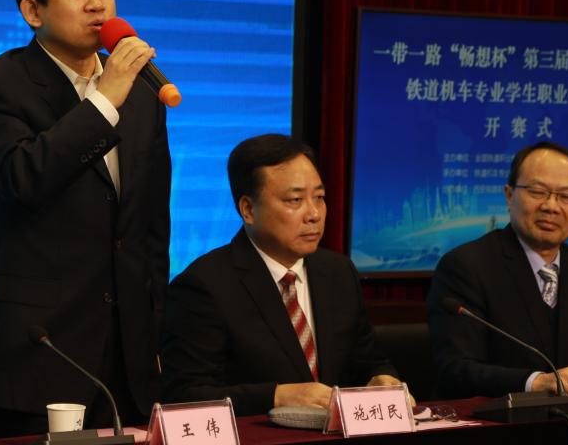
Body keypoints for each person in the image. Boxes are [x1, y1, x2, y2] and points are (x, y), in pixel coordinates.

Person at [0, 0, 172, 436]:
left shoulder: (141, 93)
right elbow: (23, 178)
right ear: (33, 11)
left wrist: (156, 334)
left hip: (129, 360)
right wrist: (104, 101)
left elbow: (149, 227)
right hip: (39, 353)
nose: (97, 3)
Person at [160, 134, 401, 415]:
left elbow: (368, 360)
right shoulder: (205, 286)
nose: (314, 214)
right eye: (295, 200)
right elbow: (184, 395)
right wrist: (276, 396)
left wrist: (382, 379)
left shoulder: (338, 272)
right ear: (248, 209)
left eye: (320, 198)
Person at [427, 141, 568, 398]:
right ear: (509, 194)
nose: (551, 206)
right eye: (538, 191)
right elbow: (455, 369)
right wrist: (536, 382)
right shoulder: (466, 266)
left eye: (567, 196)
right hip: (493, 420)